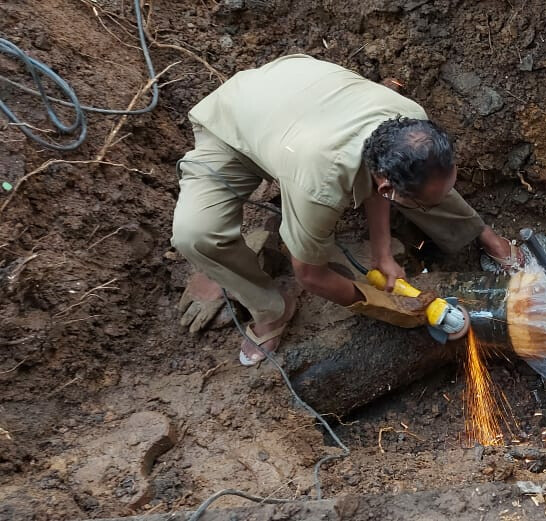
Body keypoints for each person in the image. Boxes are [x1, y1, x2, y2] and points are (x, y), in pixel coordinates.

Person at [170, 54, 521, 366]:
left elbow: (376, 175)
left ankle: (485, 237)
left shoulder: (411, 121)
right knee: (195, 234)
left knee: (426, 183)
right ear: (386, 187)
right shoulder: (319, 187)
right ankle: (271, 310)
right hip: (234, 124)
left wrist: (383, 254)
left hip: (299, 102)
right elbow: (310, 274)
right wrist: (392, 309)